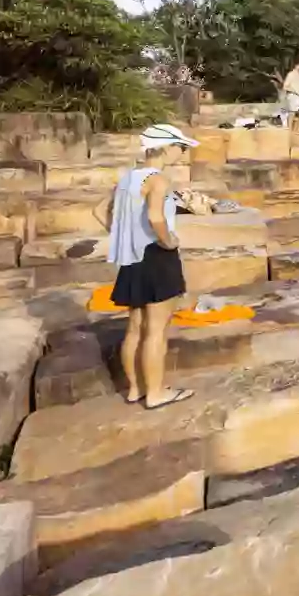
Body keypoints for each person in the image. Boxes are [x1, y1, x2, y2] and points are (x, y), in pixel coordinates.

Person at [101, 123, 198, 409]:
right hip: (156, 256)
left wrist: (123, 236)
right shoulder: (159, 179)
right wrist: (168, 241)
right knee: (157, 330)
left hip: (132, 258)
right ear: (166, 147)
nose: (182, 154)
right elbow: (156, 217)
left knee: (135, 327)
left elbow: (99, 211)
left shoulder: (127, 177)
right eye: (181, 148)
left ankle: (135, 389)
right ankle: (156, 393)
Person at [278, 61, 299, 128]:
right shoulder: (290, 74)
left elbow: (298, 85)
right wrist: (294, 91)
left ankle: (297, 129)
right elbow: (285, 86)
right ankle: (290, 129)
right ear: (296, 65)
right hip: (293, 95)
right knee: (292, 112)